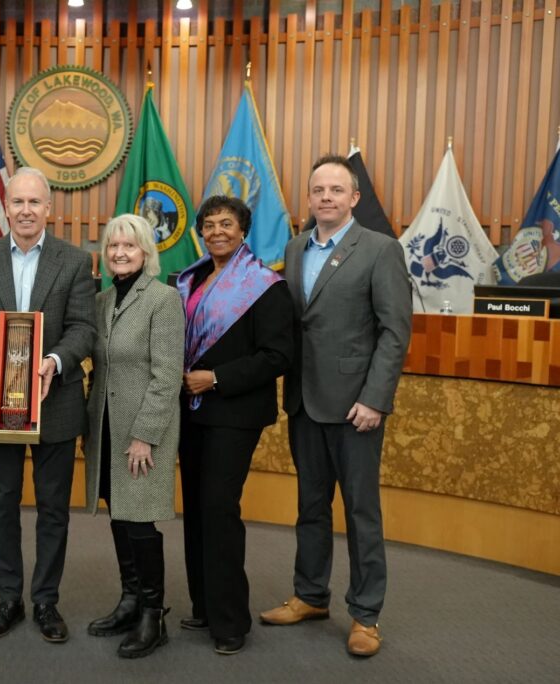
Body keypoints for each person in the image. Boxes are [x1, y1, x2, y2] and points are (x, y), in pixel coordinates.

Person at [260, 155, 411, 657]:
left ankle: (366, 615)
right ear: (309, 198)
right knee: (310, 507)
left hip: (355, 408)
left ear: (354, 198)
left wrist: (375, 399)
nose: (326, 197)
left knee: (362, 512)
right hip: (304, 401)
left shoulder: (380, 250)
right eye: (318, 190)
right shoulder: (295, 246)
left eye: (335, 190)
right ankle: (310, 595)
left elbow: (394, 332)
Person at [0, 166, 96, 643]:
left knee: (54, 507)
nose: (27, 210)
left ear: (49, 209)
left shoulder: (75, 261)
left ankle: (46, 601)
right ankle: (9, 598)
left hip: (54, 401)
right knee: (1, 506)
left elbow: (84, 328)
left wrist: (55, 360)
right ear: (6, 207)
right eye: (18, 202)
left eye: (35, 202)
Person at [175, 196, 294, 655]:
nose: (217, 231)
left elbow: (278, 356)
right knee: (197, 510)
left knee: (220, 508)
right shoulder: (192, 279)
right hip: (192, 413)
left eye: (227, 223)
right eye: (209, 225)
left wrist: (217, 378)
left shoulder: (265, 285)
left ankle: (231, 622)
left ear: (244, 230)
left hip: (235, 413)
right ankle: (203, 605)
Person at [83, 214, 184, 658]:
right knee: (119, 513)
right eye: (112, 247)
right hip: (105, 428)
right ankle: (129, 599)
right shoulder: (102, 300)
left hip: (143, 430)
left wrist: (145, 435)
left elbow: (167, 376)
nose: (120, 253)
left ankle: (152, 613)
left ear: (147, 252)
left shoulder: (163, 300)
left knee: (140, 520)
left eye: (129, 246)